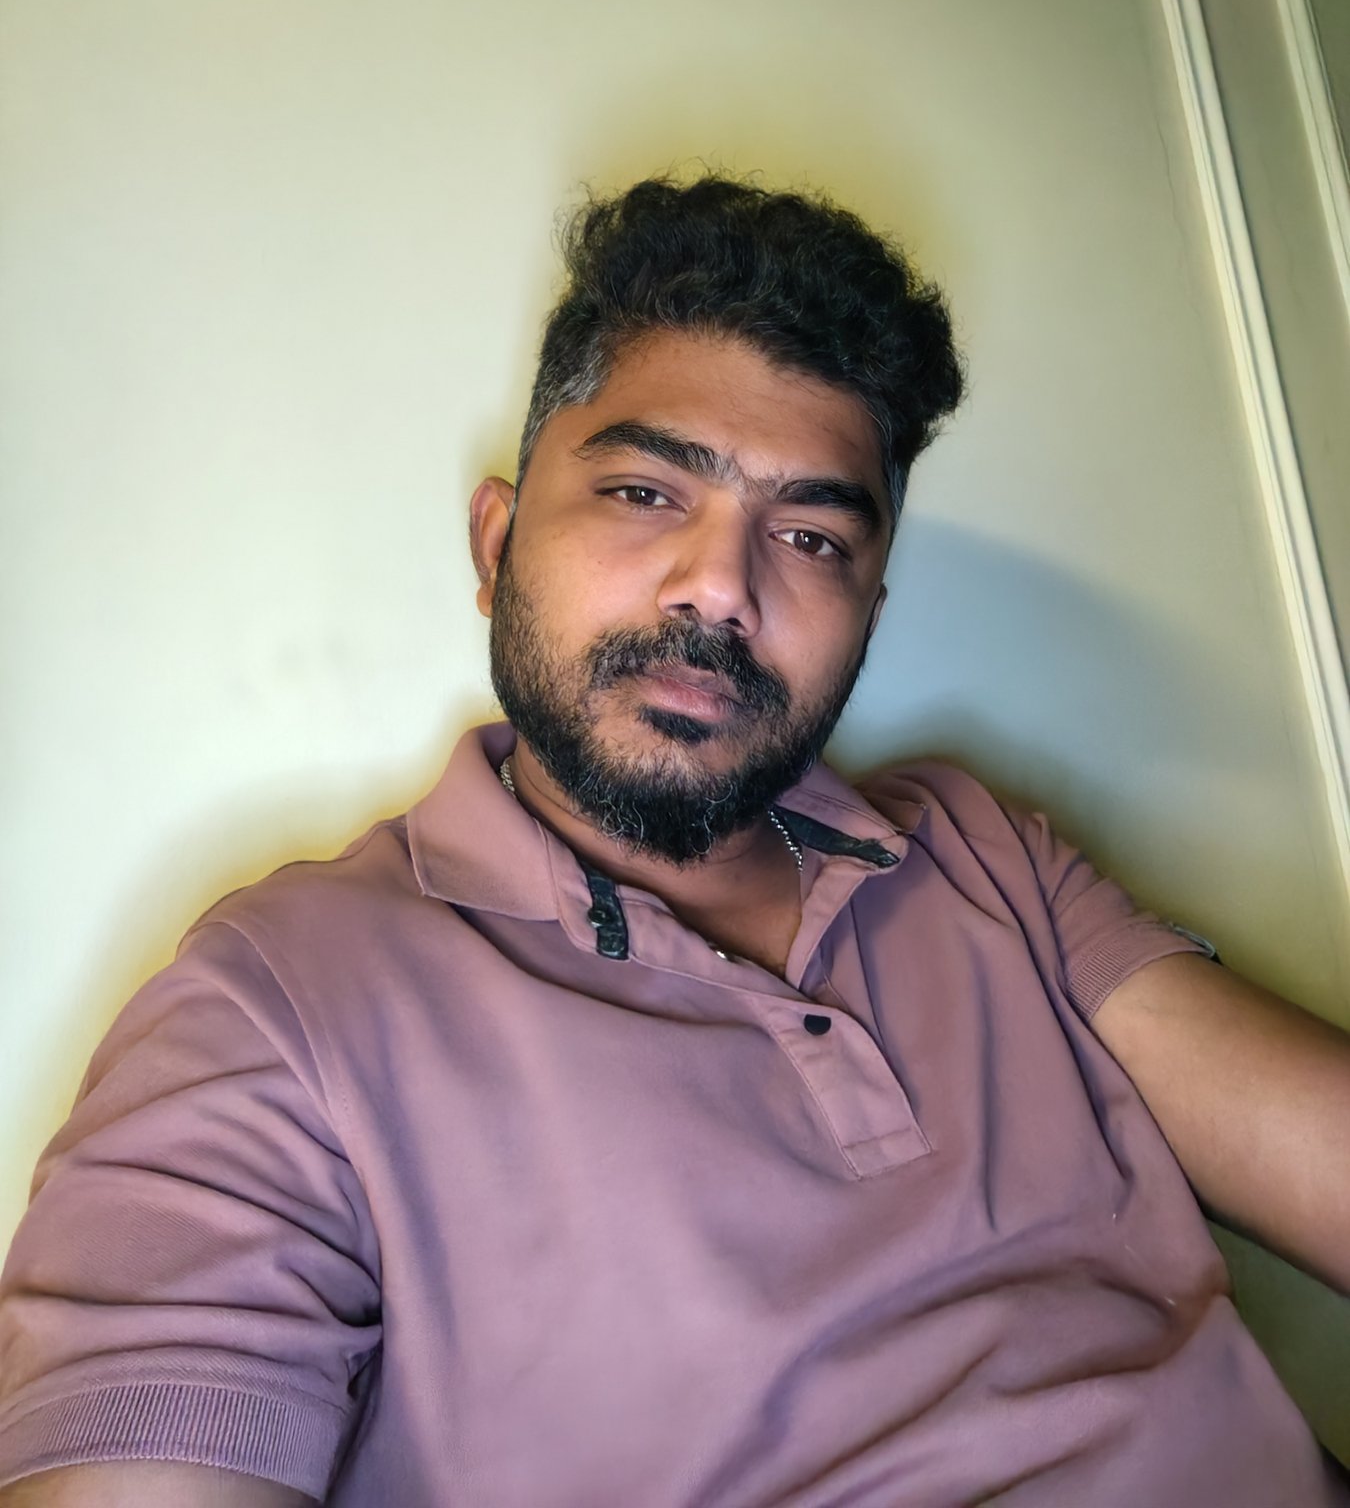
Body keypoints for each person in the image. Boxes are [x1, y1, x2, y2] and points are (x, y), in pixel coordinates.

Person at [1, 176, 1347, 1507]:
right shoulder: (274, 1004)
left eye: (808, 535)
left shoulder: (979, 852)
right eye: (646, 492)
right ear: (496, 541)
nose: (720, 586)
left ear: (869, 611)